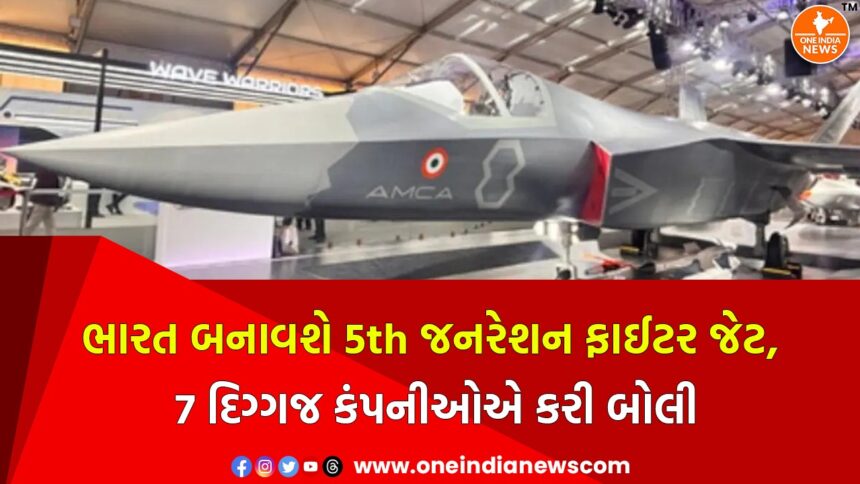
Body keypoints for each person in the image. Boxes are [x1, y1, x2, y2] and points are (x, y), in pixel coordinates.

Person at [24, 169, 64, 236]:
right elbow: (57, 186)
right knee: (35, 222)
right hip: (45, 200)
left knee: (48, 223)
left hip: (43, 199)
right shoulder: (53, 173)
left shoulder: (43, 171)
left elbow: (36, 181)